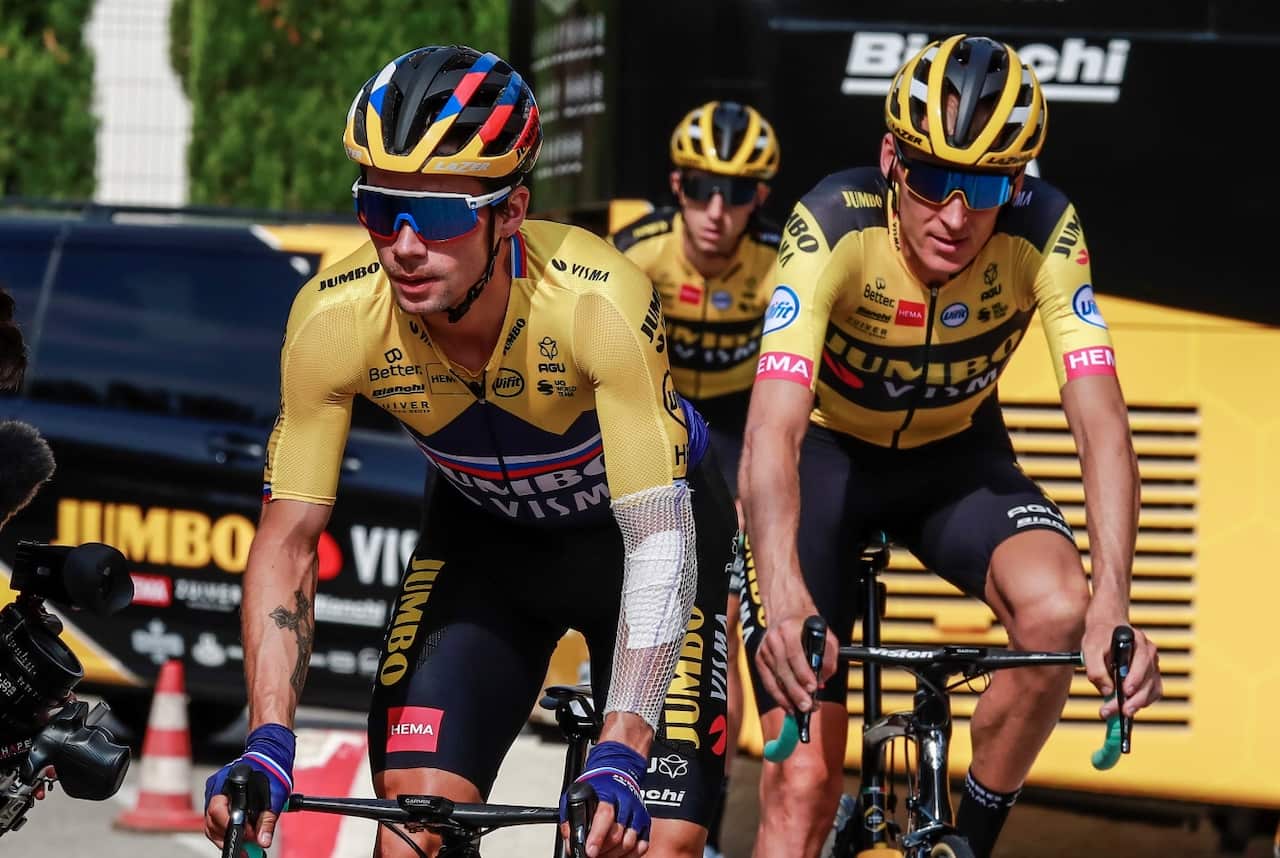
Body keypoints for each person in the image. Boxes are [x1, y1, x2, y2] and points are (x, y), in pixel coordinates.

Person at [200, 44, 736, 858]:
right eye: (381, 209)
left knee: (654, 840)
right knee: (415, 830)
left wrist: (624, 748)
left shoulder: (599, 303)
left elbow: (659, 543)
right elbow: (288, 540)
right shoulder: (333, 322)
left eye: (442, 214)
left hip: (642, 553)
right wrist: (269, 739)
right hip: (483, 548)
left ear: (512, 210)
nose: (406, 244)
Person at [737, 35, 1163, 858]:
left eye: (987, 185)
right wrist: (783, 591)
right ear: (891, 159)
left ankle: (967, 840)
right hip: (828, 461)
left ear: (1019, 182)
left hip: (954, 459)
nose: (957, 215)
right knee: (802, 783)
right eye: (935, 180)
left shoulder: (1046, 229)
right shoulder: (829, 223)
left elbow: (1100, 422)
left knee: (1059, 612)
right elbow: (772, 429)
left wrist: (1115, 597)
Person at [609, 100, 780, 858]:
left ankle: (705, 818)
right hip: (661, 433)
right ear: (675, 185)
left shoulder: (779, 264)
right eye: (701, 189)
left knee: (723, 623)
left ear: (760, 200)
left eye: (738, 194)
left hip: (736, 439)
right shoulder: (638, 250)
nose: (717, 212)